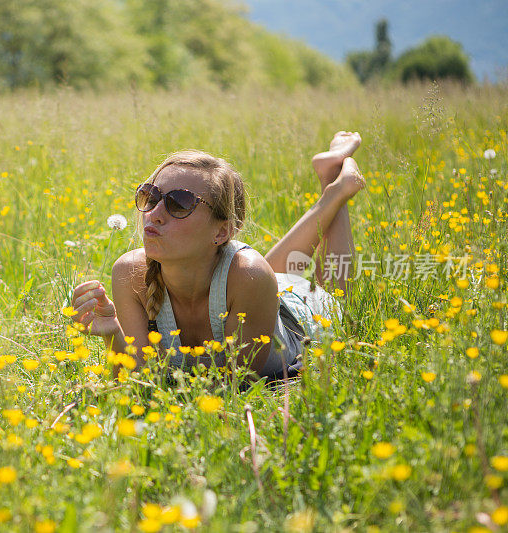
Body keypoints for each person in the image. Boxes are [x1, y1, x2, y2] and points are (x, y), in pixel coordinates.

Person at [70, 131, 365, 382]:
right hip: (253, 284)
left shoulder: (249, 275)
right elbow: (139, 383)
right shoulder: (129, 273)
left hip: (301, 315)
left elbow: (233, 390)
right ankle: (332, 182)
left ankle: (337, 189)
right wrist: (111, 332)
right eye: (151, 196)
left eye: (179, 203)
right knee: (255, 274)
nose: (155, 215)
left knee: (343, 300)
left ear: (221, 232)